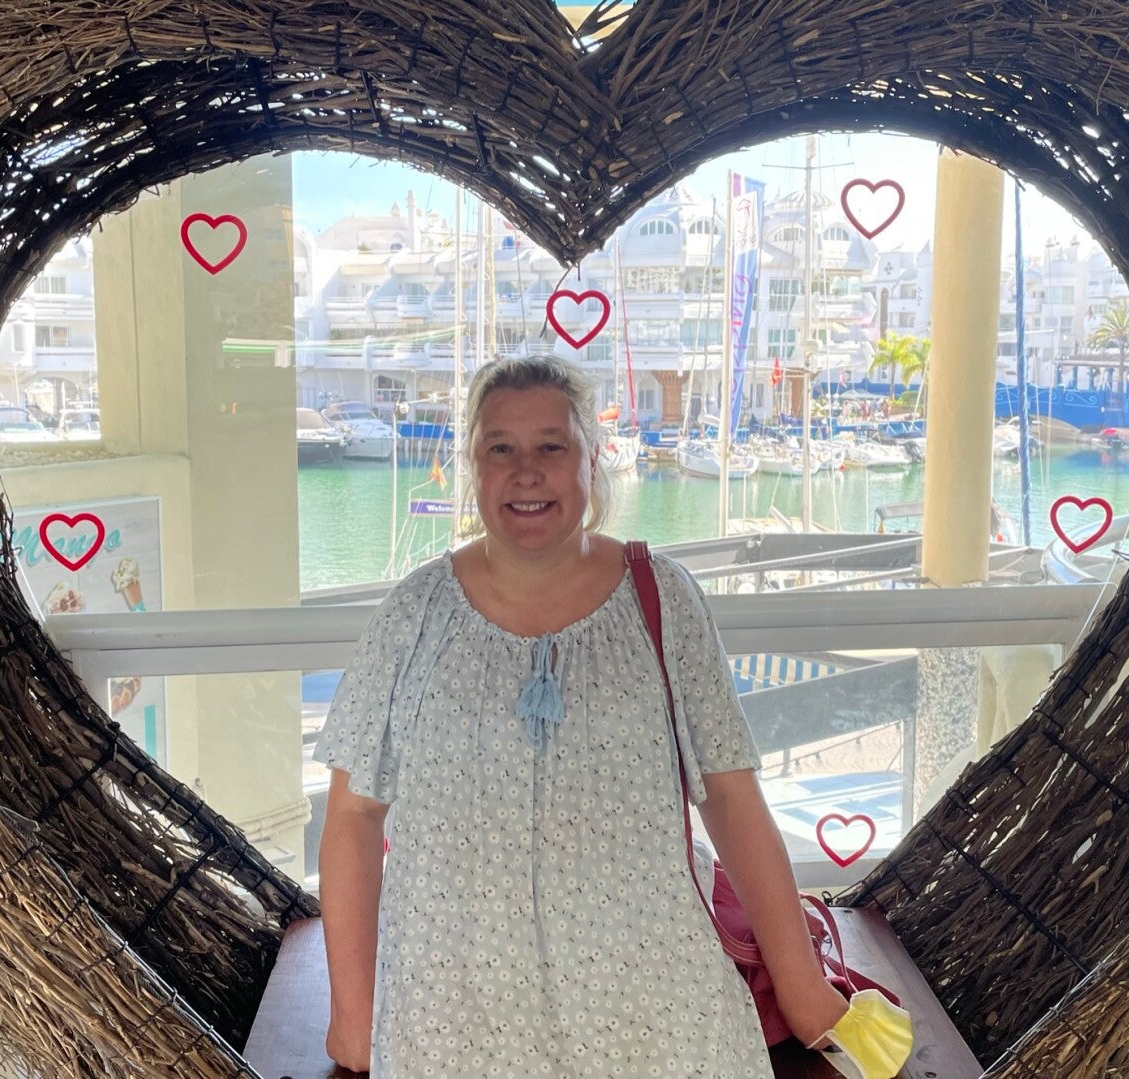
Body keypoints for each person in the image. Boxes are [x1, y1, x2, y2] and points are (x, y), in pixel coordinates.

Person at [316, 354, 849, 1077]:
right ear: (472, 465)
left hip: (655, 1013)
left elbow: (729, 796)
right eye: (500, 448)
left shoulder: (664, 600)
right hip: (452, 1017)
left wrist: (802, 987)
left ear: (591, 461)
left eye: (551, 446)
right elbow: (353, 816)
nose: (525, 472)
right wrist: (354, 1013)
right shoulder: (413, 614)